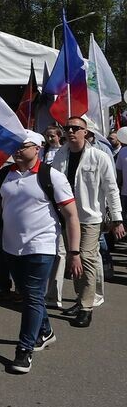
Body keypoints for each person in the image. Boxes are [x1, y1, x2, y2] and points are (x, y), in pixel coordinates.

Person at [0, 131, 79, 373]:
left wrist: (74, 252)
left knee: (32, 296)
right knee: (26, 293)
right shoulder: (4, 174)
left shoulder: (51, 176)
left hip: (41, 246)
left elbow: (71, 216)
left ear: (37, 148)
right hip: (11, 246)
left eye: (23, 146)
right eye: (15, 145)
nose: (17, 150)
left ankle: (24, 350)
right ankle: (45, 330)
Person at [50, 115, 122, 327]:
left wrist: (117, 218)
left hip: (90, 218)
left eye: (75, 128)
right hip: (66, 216)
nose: (70, 131)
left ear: (86, 133)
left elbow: (111, 189)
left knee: (87, 258)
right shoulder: (60, 155)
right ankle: (81, 297)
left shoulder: (99, 157)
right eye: (67, 128)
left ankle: (86, 307)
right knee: (74, 259)